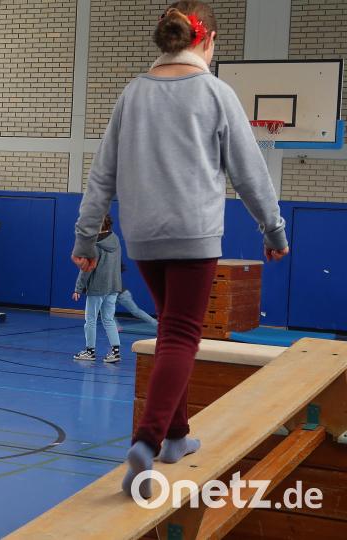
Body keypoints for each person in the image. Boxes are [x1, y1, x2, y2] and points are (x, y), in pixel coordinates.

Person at [71, 1, 288, 500]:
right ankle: (145, 442)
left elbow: (101, 174)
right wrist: (273, 231)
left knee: (171, 328)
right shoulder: (215, 93)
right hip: (193, 235)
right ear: (206, 40)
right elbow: (249, 172)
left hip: (143, 238)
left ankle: (175, 437)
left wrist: (85, 238)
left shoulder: (132, 96)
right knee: (182, 335)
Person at [72, 215, 123, 363]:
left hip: (97, 287)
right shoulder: (116, 239)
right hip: (113, 286)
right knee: (108, 319)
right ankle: (115, 352)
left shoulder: (94, 245)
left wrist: (78, 288)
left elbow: (86, 269)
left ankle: (90, 351)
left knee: (91, 320)